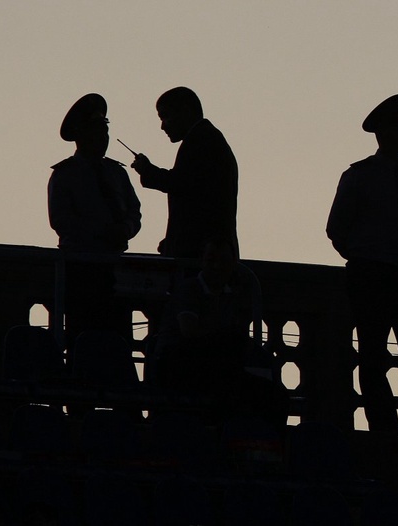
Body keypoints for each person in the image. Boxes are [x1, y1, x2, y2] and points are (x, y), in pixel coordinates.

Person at [326, 94, 398, 433]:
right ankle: (383, 426)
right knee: (373, 356)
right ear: (381, 132)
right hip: (371, 272)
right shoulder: (359, 175)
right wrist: (366, 255)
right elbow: (336, 228)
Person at [154, 238, 286, 424]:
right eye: (211, 260)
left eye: (223, 261)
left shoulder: (231, 297)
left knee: (275, 397)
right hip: (181, 367)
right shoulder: (189, 290)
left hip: (216, 371)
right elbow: (189, 331)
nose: (216, 266)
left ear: (233, 264)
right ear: (202, 261)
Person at [47, 93, 142, 344]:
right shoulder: (65, 174)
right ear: (80, 135)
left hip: (116, 267)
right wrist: (101, 232)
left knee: (119, 335)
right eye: (96, 131)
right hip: (81, 268)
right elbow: (61, 219)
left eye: (105, 131)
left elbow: (134, 211)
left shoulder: (116, 172)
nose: (103, 138)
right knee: (84, 334)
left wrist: (127, 228)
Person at [130, 87, 239, 259]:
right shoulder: (208, 137)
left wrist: (147, 171)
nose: (162, 126)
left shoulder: (201, 140)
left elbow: (181, 183)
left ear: (185, 111)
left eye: (165, 116)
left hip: (203, 255)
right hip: (209, 250)